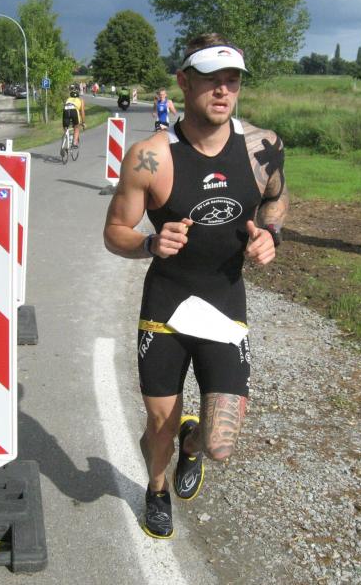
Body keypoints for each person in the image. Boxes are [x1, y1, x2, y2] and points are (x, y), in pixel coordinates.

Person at [103, 33, 288, 539]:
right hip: (166, 305)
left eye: (233, 80)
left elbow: (276, 199)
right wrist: (149, 243)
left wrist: (270, 235)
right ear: (184, 82)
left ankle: (192, 445)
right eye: (211, 80)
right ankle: (156, 488)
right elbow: (114, 231)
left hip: (224, 305)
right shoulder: (150, 157)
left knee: (219, 445)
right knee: (159, 426)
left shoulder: (264, 147)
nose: (223, 91)